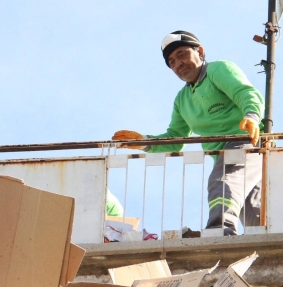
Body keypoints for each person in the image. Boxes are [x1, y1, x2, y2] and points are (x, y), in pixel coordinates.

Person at [112, 31, 264, 236]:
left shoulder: (217, 70)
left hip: (248, 143)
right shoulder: (182, 100)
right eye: (172, 62)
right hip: (222, 156)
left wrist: (252, 117)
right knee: (250, 207)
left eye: (182, 54)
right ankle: (268, 244)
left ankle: (219, 231)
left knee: (223, 182)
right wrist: (145, 142)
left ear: (200, 52)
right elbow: (175, 139)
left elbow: (245, 92)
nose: (178, 64)